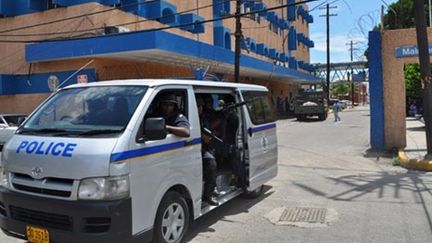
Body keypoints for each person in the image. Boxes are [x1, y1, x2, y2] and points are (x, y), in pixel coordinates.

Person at [197, 97, 219, 206]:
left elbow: (209, 129)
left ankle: (212, 188)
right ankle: (207, 196)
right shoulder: (189, 116)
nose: (200, 108)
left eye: (201, 106)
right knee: (211, 163)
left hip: (205, 146)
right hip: (195, 148)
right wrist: (202, 136)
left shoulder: (203, 117)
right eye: (197, 106)